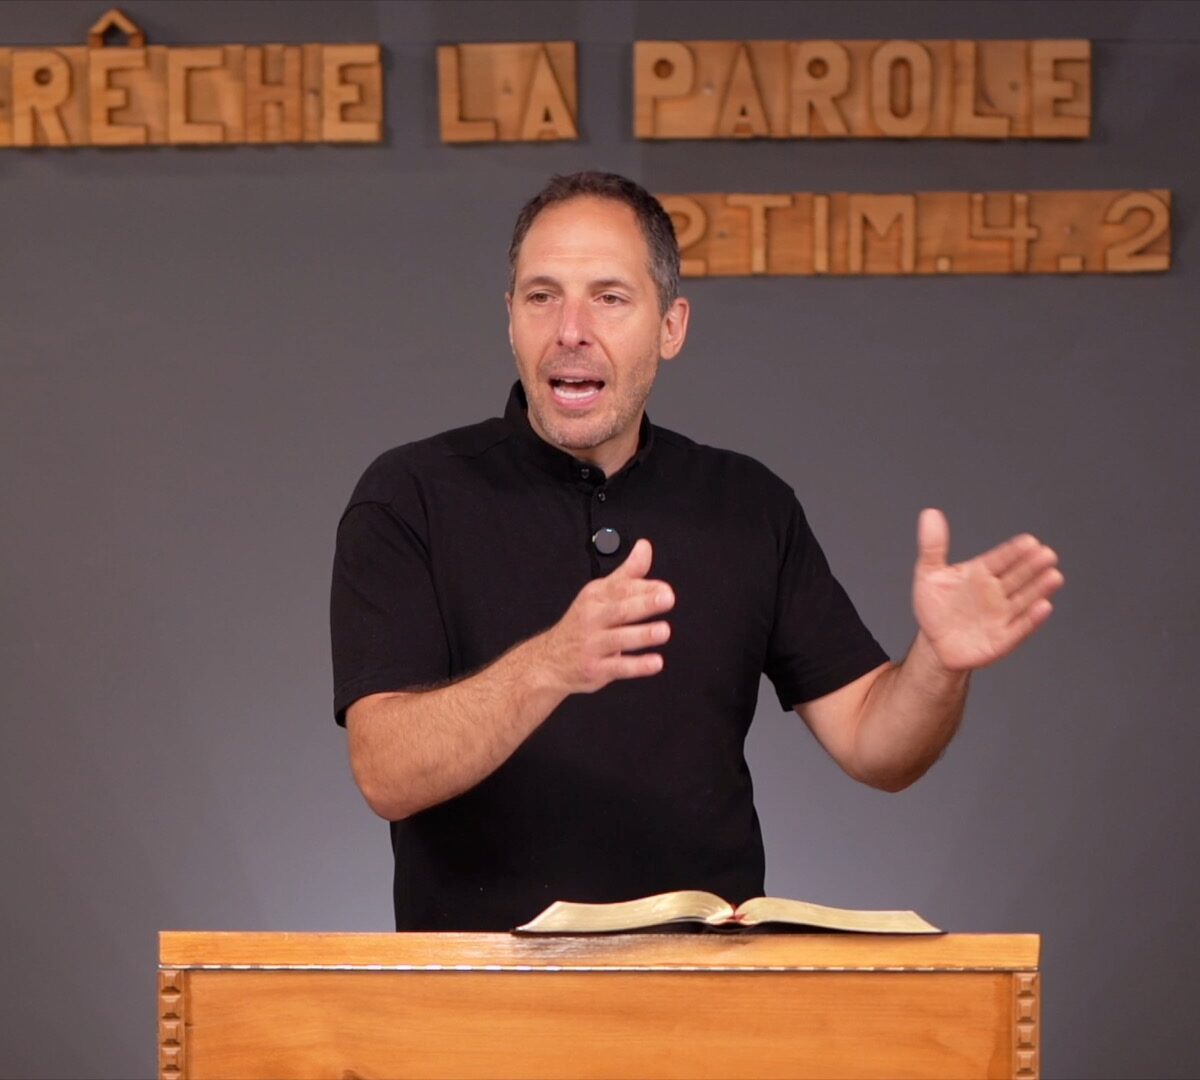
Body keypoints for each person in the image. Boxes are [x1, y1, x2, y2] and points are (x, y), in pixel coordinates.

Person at [330, 171, 1063, 932]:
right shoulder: (410, 495)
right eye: (542, 296)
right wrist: (549, 665)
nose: (570, 329)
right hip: (480, 992)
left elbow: (878, 747)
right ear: (510, 318)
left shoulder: (747, 505)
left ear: (671, 326)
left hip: (708, 987)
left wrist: (940, 663)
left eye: (610, 298)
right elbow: (386, 772)